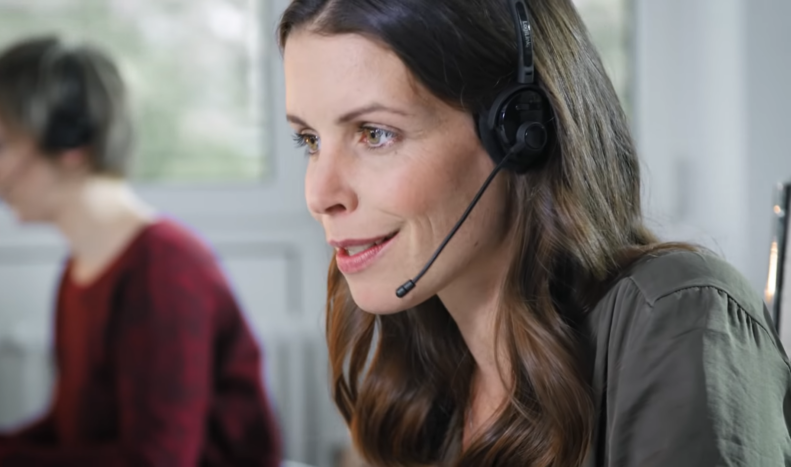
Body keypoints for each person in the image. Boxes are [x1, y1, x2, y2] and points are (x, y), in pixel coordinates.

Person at [278, 0, 791, 466]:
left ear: (520, 133)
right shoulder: (419, 358)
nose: (319, 194)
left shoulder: (675, 315)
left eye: (375, 133)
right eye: (310, 139)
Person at [0, 36, 281, 466]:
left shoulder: (166, 269)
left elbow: (156, 460)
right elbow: (64, 432)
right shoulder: (80, 270)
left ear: (70, 141)